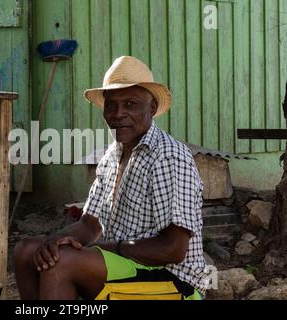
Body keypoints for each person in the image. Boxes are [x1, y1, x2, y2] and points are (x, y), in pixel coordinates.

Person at [13, 56, 208, 300]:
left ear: (152, 108)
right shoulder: (112, 154)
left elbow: (174, 249)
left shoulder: (168, 156)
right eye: (111, 105)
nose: (118, 114)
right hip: (127, 264)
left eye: (130, 104)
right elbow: (89, 226)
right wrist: (52, 242)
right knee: (27, 251)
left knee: (62, 262)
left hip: (172, 281)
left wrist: (99, 248)